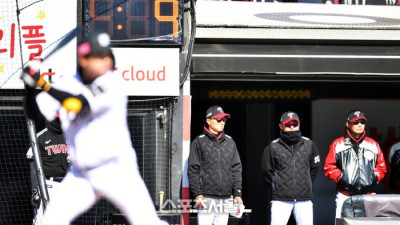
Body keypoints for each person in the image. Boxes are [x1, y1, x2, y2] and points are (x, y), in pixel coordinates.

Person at [21, 32, 167, 225]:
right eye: (99, 57)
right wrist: (30, 88)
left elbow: (76, 104)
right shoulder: (67, 83)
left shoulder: (112, 83)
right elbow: (34, 114)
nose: (105, 61)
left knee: (147, 222)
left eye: (107, 56)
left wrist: (41, 83)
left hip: (117, 169)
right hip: (80, 175)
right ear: (83, 59)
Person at [324, 110, 386, 219]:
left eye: (362, 122)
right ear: (348, 124)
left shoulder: (373, 144)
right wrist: (342, 177)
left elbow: (382, 167)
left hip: (367, 195)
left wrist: (373, 177)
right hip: (345, 195)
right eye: (356, 122)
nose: (360, 125)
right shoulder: (337, 144)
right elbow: (329, 167)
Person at [261, 111, 321, 225]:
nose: (292, 127)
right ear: (281, 126)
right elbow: (266, 171)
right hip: (280, 199)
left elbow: (315, 168)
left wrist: (305, 184)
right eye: (288, 125)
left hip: (304, 198)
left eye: (295, 124)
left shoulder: (309, 144)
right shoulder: (272, 146)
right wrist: (277, 186)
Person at [188, 106, 243, 225]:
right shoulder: (199, 141)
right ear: (208, 121)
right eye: (219, 120)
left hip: (226, 197)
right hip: (206, 198)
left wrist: (237, 193)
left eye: (224, 120)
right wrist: (197, 194)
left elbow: (236, 168)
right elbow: (193, 170)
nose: (222, 122)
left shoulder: (230, 141)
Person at [26, 115, 69, 225]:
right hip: (48, 185)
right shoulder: (40, 136)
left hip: (66, 184)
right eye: (57, 119)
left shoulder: (70, 135)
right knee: (42, 221)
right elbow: (33, 165)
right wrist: (35, 189)